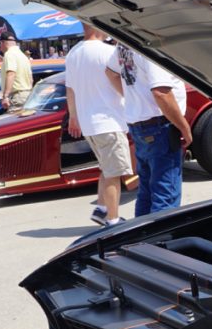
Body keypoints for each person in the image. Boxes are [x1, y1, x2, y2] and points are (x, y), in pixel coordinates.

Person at [106, 46, 191, 216]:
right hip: (160, 125)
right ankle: (161, 239)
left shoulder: (124, 44)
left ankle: (142, 237)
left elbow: (111, 72)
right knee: (165, 194)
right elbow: (161, 93)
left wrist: (136, 99)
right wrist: (184, 126)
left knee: (147, 192)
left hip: (140, 124)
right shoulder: (151, 46)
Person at [65, 23, 131, 227]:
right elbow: (126, 82)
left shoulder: (73, 53)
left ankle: (101, 209)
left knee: (106, 167)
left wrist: (73, 116)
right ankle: (113, 219)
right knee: (114, 173)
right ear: (95, 27)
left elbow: (70, 89)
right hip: (109, 120)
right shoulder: (108, 52)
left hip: (89, 122)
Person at [0, 33, 33, 112]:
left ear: (2, 42)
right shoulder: (23, 56)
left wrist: (5, 96)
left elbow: (11, 74)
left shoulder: (9, 54)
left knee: (14, 122)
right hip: (27, 94)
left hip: (17, 96)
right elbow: (31, 79)